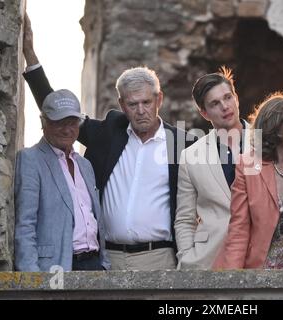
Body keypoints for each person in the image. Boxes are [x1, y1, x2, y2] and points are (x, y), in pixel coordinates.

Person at [22, 14, 194, 270]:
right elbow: (57, 112)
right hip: (108, 259)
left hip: (160, 259)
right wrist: (30, 55)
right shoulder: (109, 132)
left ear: (159, 100)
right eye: (133, 104)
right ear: (122, 105)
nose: (140, 110)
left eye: (146, 102)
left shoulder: (182, 144)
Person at [213, 93, 283, 269]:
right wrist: (232, 283)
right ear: (275, 129)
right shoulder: (247, 165)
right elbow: (239, 229)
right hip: (253, 270)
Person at [15, 89, 110, 271]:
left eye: (72, 123)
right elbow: (25, 225)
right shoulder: (30, 159)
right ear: (43, 122)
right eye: (59, 123)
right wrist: (32, 278)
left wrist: (104, 264)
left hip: (94, 264)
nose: (67, 130)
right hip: (55, 266)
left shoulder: (84, 165)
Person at [174, 67, 251, 269]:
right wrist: (186, 257)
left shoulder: (267, 142)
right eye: (215, 103)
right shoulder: (190, 156)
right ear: (204, 113)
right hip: (208, 259)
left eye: (228, 97)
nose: (225, 106)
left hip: (260, 255)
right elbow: (184, 219)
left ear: (236, 98)